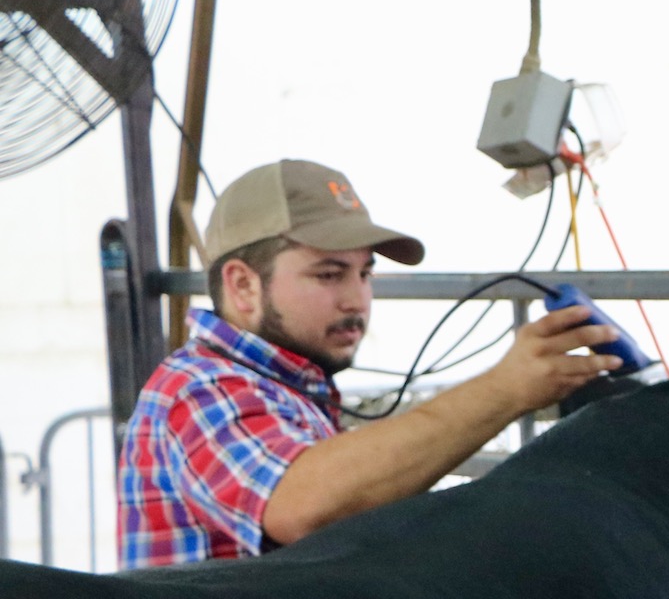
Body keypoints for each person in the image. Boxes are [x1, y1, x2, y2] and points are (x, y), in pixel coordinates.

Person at [117, 160, 622, 567]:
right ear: (244, 285)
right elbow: (303, 507)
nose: (356, 300)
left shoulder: (279, 385)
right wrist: (504, 390)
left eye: (364, 274)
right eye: (329, 274)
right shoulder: (199, 386)